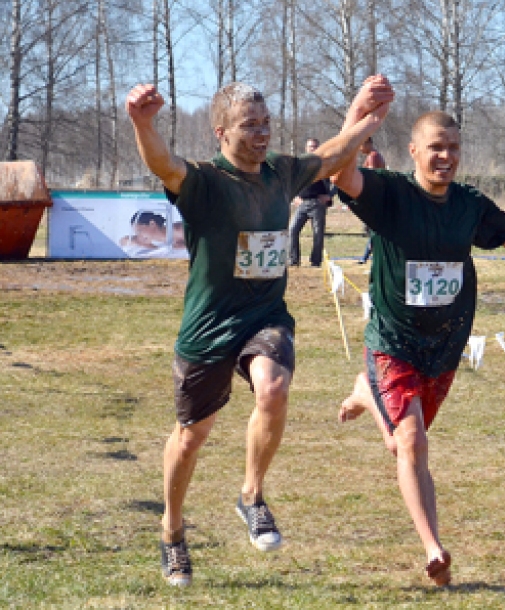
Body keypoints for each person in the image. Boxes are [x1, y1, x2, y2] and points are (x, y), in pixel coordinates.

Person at [126, 76, 393, 587]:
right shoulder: (204, 181)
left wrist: (366, 121)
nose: (262, 132)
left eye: (267, 122)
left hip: (264, 317)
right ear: (221, 132)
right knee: (191, 437)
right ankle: (172, 530)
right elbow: (163, 162)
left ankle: (251, 496)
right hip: (208, 328)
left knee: (273, 388)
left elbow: (333, 154)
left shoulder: (282, 173)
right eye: (250, 124)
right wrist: (143, 122)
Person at [332, 101, 505, 587]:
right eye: (436, 147)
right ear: (414, 151)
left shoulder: (469, 204)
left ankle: (362, 391)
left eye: (453, 148)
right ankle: (433, 548)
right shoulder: (390, 194)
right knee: (412, 442)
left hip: (444, 347)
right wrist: (357, 117)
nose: (446, 156)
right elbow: (341, 174)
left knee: (401, 444)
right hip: (394, 341)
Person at [288, 138, 334, 267]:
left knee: (318, 233)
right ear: (306, 148)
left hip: (317, 204)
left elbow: (336, 181)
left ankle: (316, 261)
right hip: (302, 203)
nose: (312, 149)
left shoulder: (324, 164)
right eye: (310, 146)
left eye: (314, 146)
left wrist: (329, 196)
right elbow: (293, 182)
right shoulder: (301, 164)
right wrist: (295, 196)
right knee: (292, 230)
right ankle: (294, 260)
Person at [356, 137, 386, 264]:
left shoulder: (373, 156)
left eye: (361, 145)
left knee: (374, 229)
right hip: (376, 196)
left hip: (375, 197)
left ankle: (366, 257)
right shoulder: (374, 155)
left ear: (368, 143)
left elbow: (371, 177)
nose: (360, 149)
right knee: (373, 229)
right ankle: (366, 256)